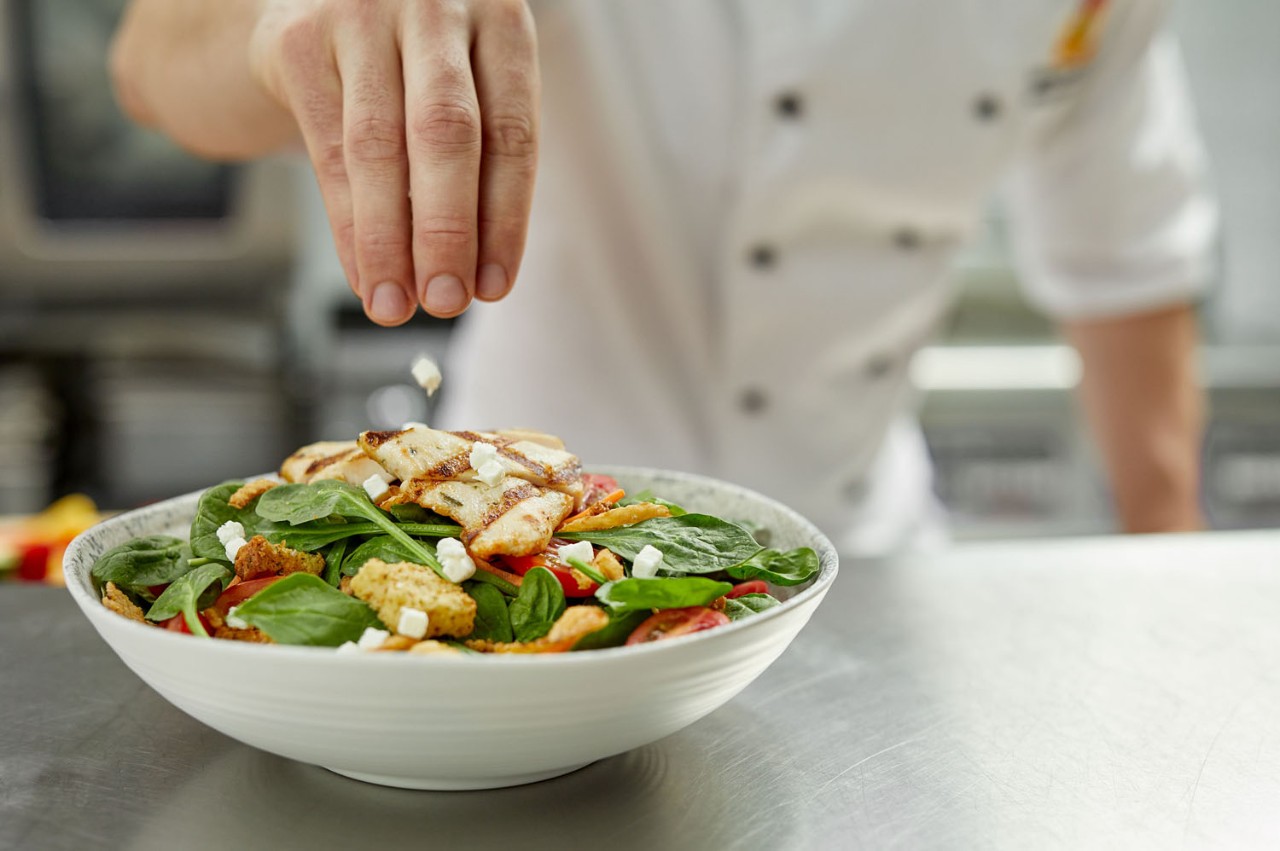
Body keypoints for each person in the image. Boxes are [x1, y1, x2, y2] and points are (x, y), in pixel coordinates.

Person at [109, 0, 1212, 554]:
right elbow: (153, 60)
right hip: (517, 554)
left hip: (863, 558)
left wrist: (1165, 598)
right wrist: (280, 28)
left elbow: (1126, 265)